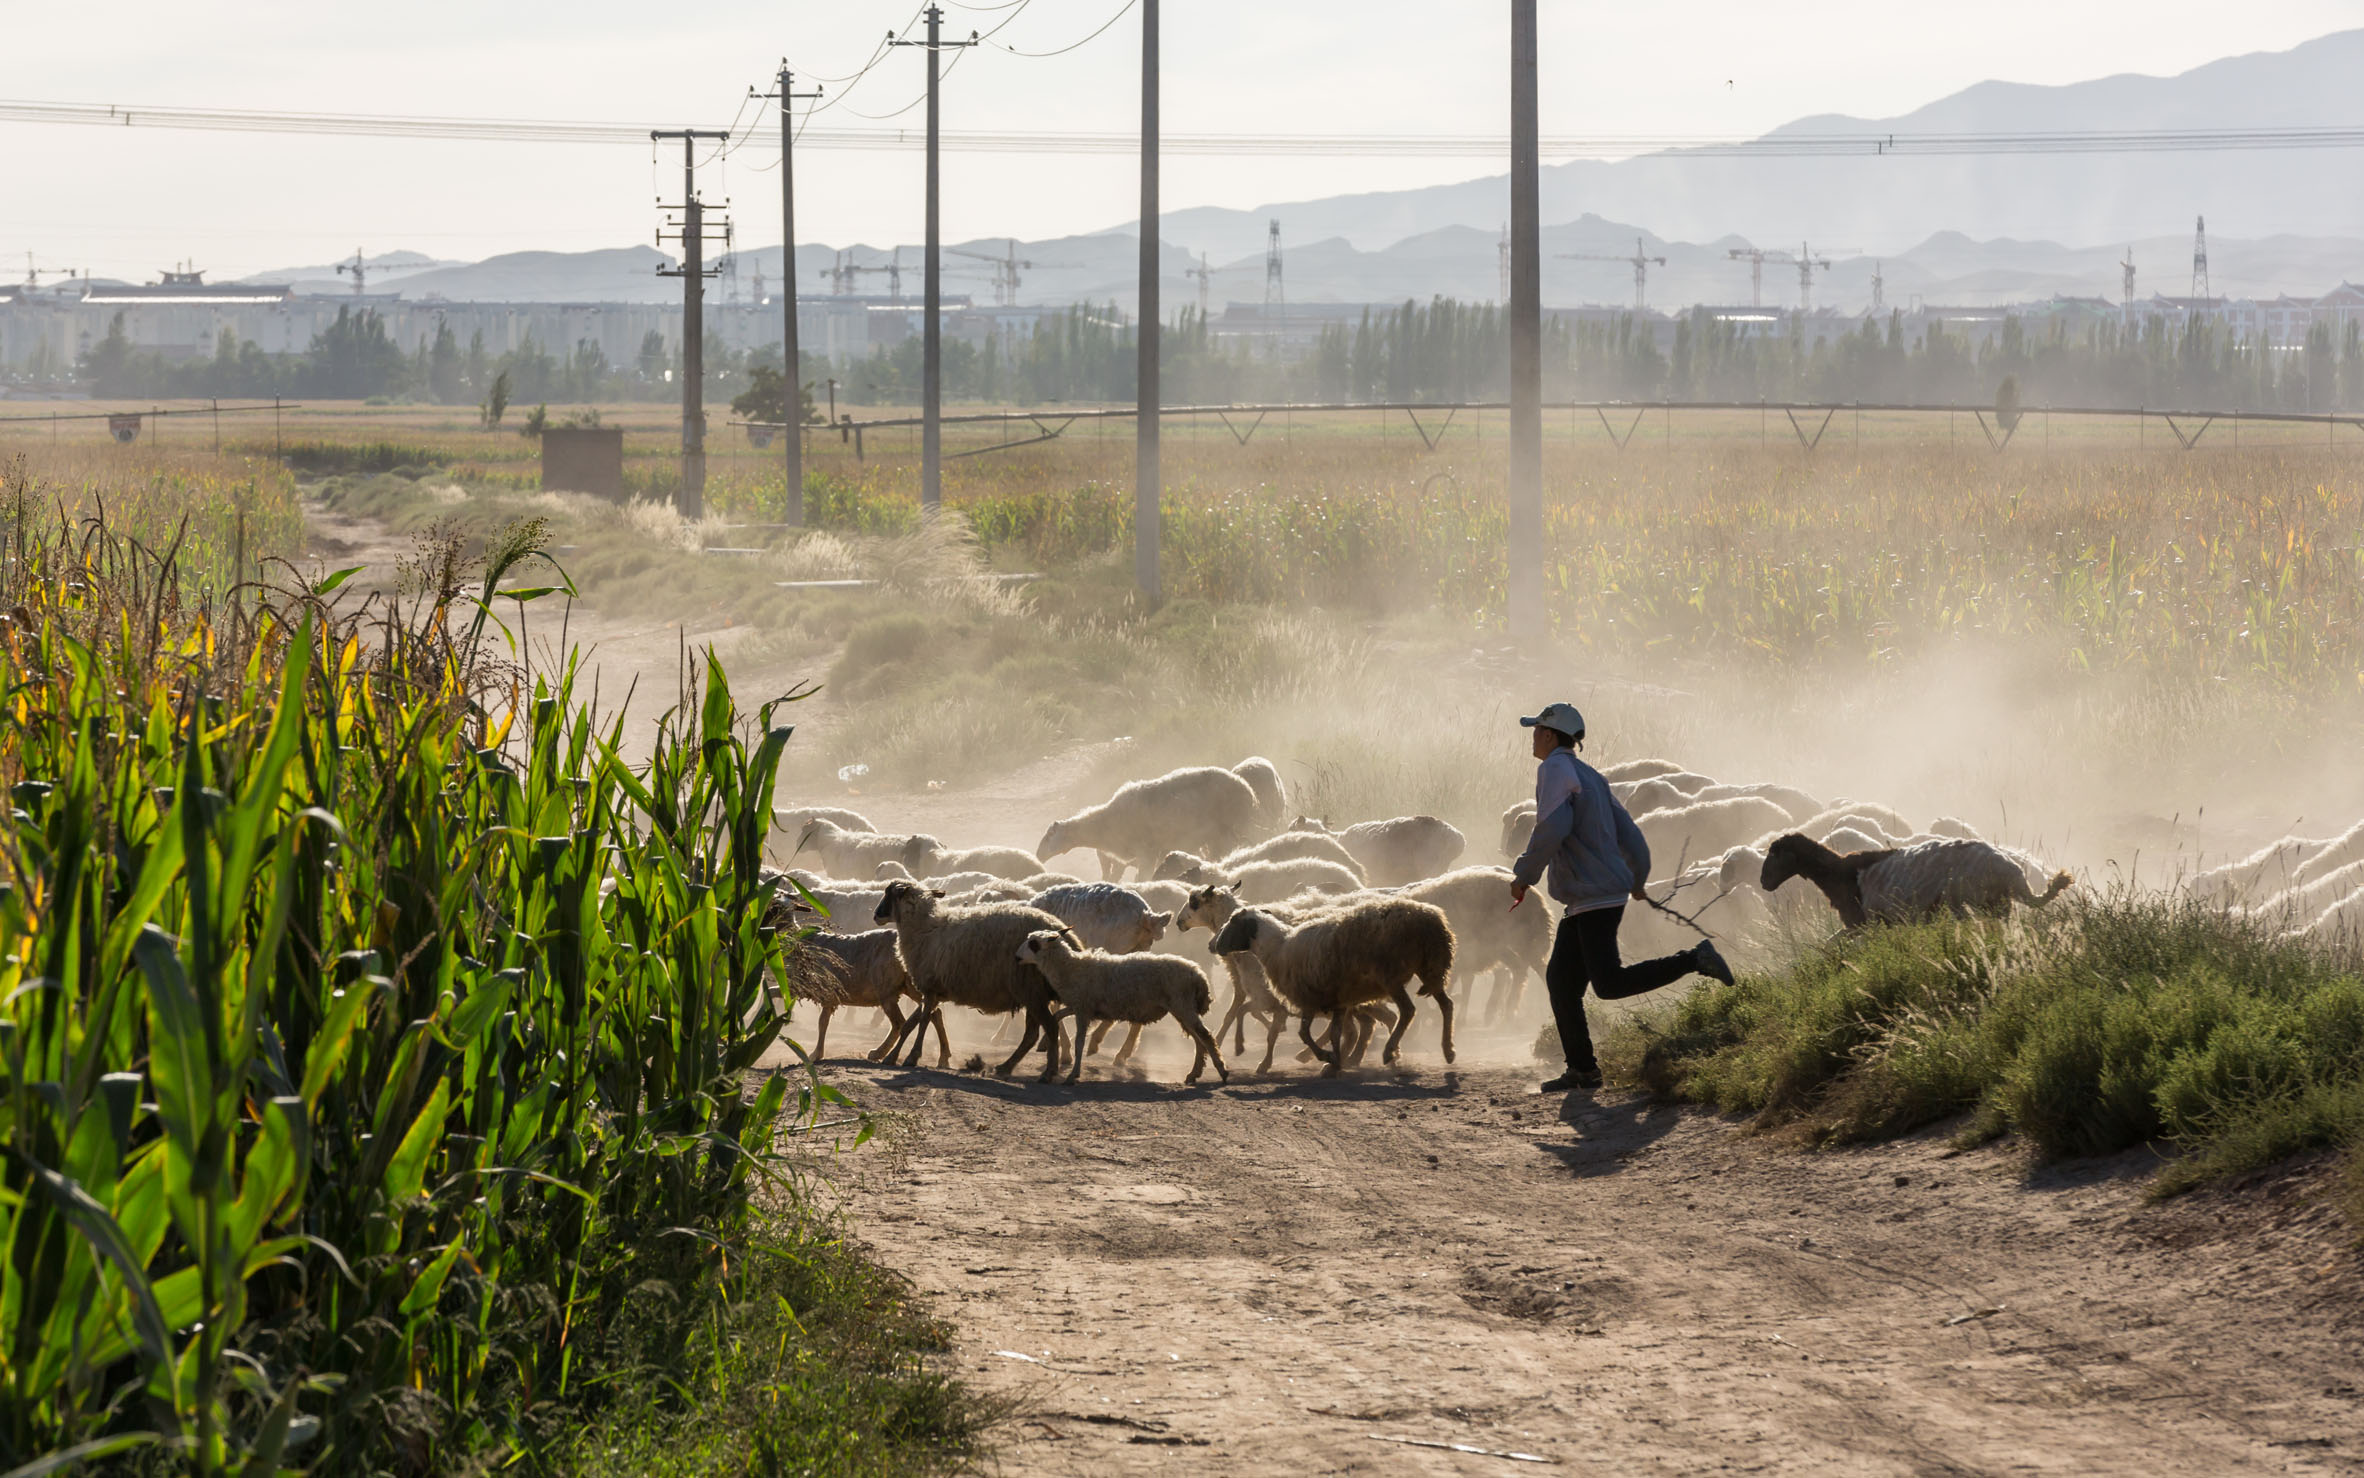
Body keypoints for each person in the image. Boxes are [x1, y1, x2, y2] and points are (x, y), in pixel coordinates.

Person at [1508, 702, 1734, 1094]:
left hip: (1592, 892)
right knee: (1561, 983)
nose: (1532, 737)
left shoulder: (1553, 770)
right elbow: (1628, 830)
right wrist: (1638, 876)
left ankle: (1694, 959)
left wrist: (1524, 875)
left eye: (1536, 730)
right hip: (1593, 894)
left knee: (1608, 983)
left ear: (1548, 735)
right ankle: (1582, 1071)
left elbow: (1553, 827)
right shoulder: (1590, 776)